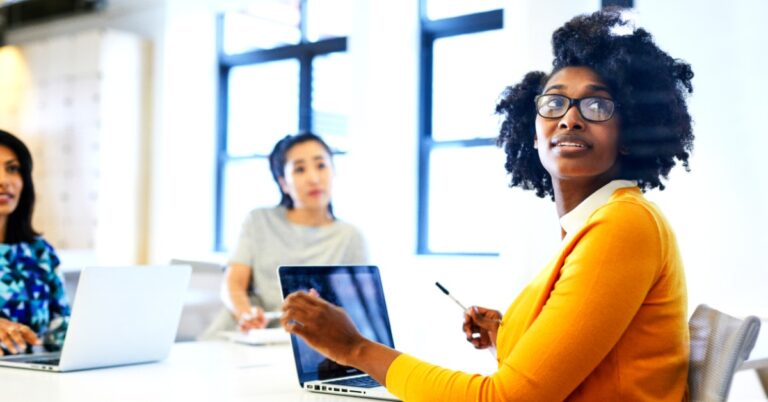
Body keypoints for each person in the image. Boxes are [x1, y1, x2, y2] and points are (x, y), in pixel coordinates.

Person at [280, 9, 694, 401]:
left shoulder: (623, 225)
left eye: (597, 105)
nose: (570, 118)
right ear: (533, 134)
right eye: (554, 103)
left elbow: (505, 398)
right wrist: (505, 333)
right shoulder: (596, 224)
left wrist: (355, 349)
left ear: (631, 131)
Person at [205, 132, 368, 336]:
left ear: (334, 171)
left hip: (312, 344)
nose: (314, 178)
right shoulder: (258, 221)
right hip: (250, 334)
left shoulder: (350, 236)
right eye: (300, 169)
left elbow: (360, 307)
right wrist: (245, 314)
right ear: (283, 183)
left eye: (321, 165)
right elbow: (234, 282)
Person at [0, 129, 70, 356]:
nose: (4, 181)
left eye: (12, 168)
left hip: (39, 383)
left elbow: (61, 330)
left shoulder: (40, 253)